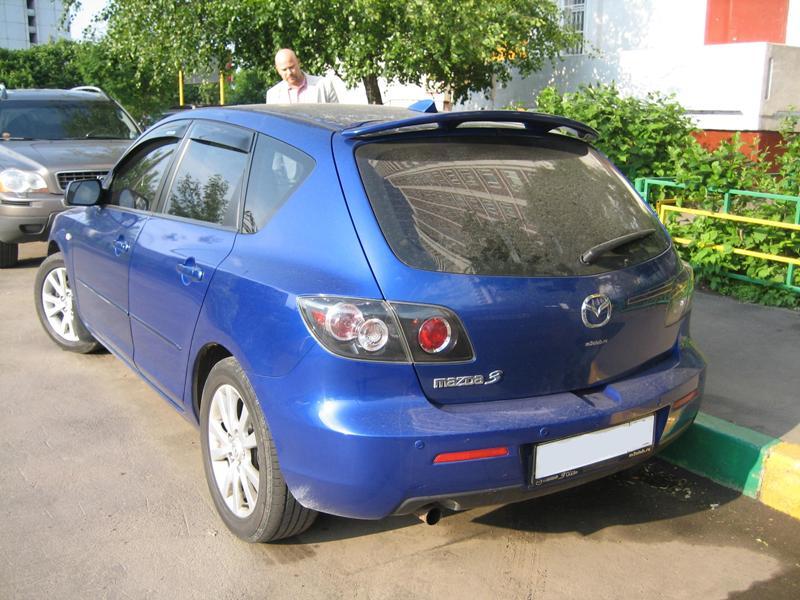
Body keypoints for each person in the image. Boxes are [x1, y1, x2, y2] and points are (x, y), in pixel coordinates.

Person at [266, 48, 339, 104]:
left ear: (298, 62)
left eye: (292, 67)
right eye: (284, 70)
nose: (289, 73)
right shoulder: (273, 95)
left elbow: (336, 116)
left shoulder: (324, 85)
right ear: (278, 70)